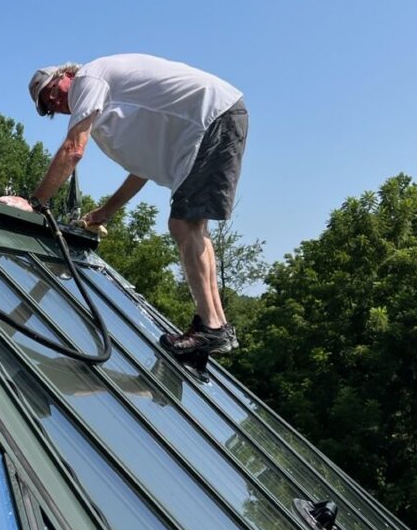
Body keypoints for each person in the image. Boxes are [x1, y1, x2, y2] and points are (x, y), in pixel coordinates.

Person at [15, 53, 248, 356]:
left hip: (212, 115)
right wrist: (102, 214)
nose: (55, 104)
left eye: (52, 92)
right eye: (48, 107)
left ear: (66, 75)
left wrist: (35, 203)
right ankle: (216, 325)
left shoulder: (90, 78)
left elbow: (73, 150)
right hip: (216, 116)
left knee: (184, 224)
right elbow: (143, 170)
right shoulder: (112, 112)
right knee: (192, 225)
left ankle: (212, 328)